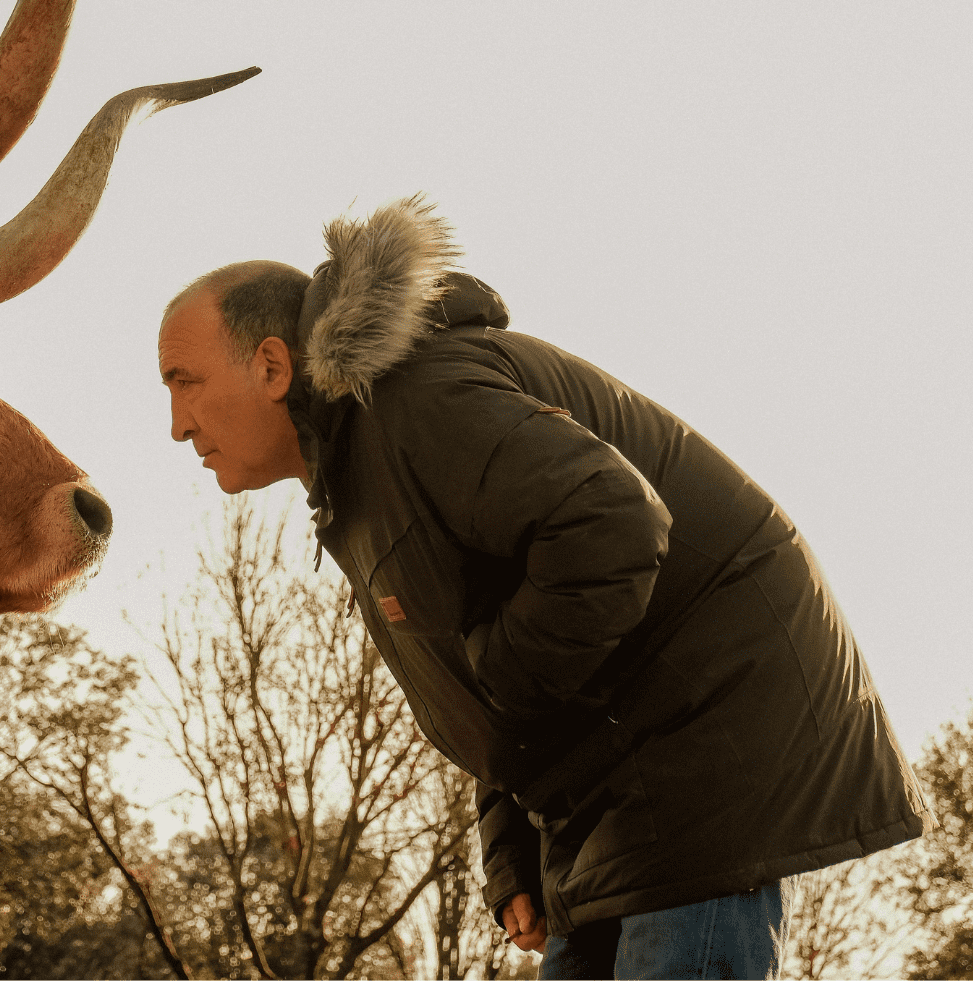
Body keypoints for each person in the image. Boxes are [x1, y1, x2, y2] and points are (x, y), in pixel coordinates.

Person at [156, 196, 926, 980]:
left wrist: (508, 701)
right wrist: (513, 842)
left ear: (272, 366)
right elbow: (494, 655)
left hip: (707, 742)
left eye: (184, 382)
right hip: (611, 786)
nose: (178, 424)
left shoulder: (418, 402)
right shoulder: (358, 474)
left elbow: (611, 523)